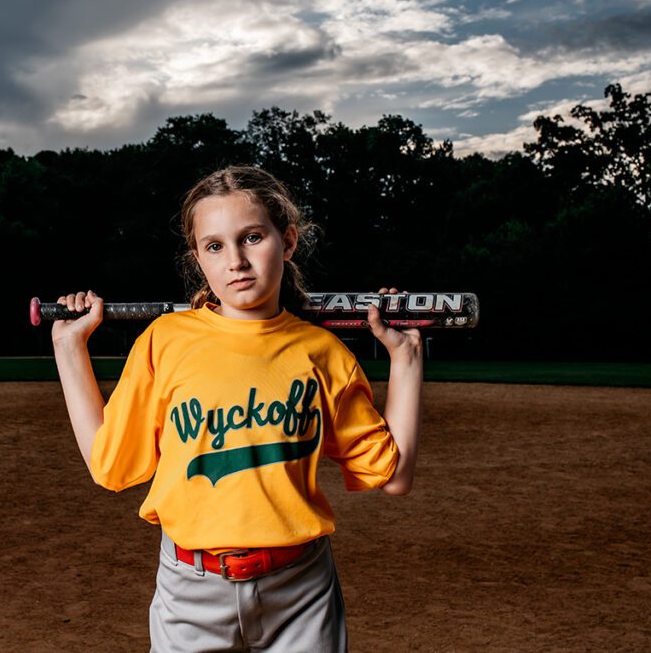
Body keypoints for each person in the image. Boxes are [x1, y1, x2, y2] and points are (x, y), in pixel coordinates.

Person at [51, 165, 423, 652]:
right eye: (215, 246)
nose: (236, 262)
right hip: (190, 591)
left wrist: (407, 357)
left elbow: (393, 477)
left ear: (287, 241)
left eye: (252, 237)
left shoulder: (322, 352)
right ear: (198, 259)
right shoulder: (165, 342)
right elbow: (109, 465)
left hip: (301, 589)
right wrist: (68, 349)